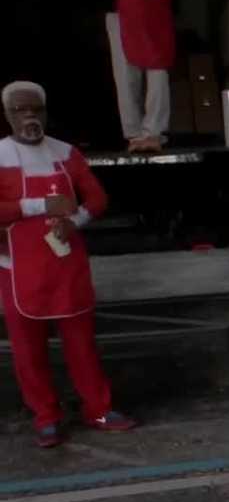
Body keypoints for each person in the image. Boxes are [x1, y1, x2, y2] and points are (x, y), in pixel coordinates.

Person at [1, 81, 138, 447]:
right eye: (20, 110)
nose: (29, 116)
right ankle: (46, 416)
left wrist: (74, 220)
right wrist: (38, 207)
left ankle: (98, 409)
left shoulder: (66, 153)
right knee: (28, 351)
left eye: (36, 109)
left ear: (46, 112)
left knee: (82, 345)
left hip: (66, 266)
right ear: (7, 115)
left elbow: (96, 198)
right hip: (16, 268)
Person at [65, 0, 174, 153]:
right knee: (125, 74)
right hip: (120, 12)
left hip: (155, 11)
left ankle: (153, 133)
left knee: (157, 68)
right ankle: (134, 134)